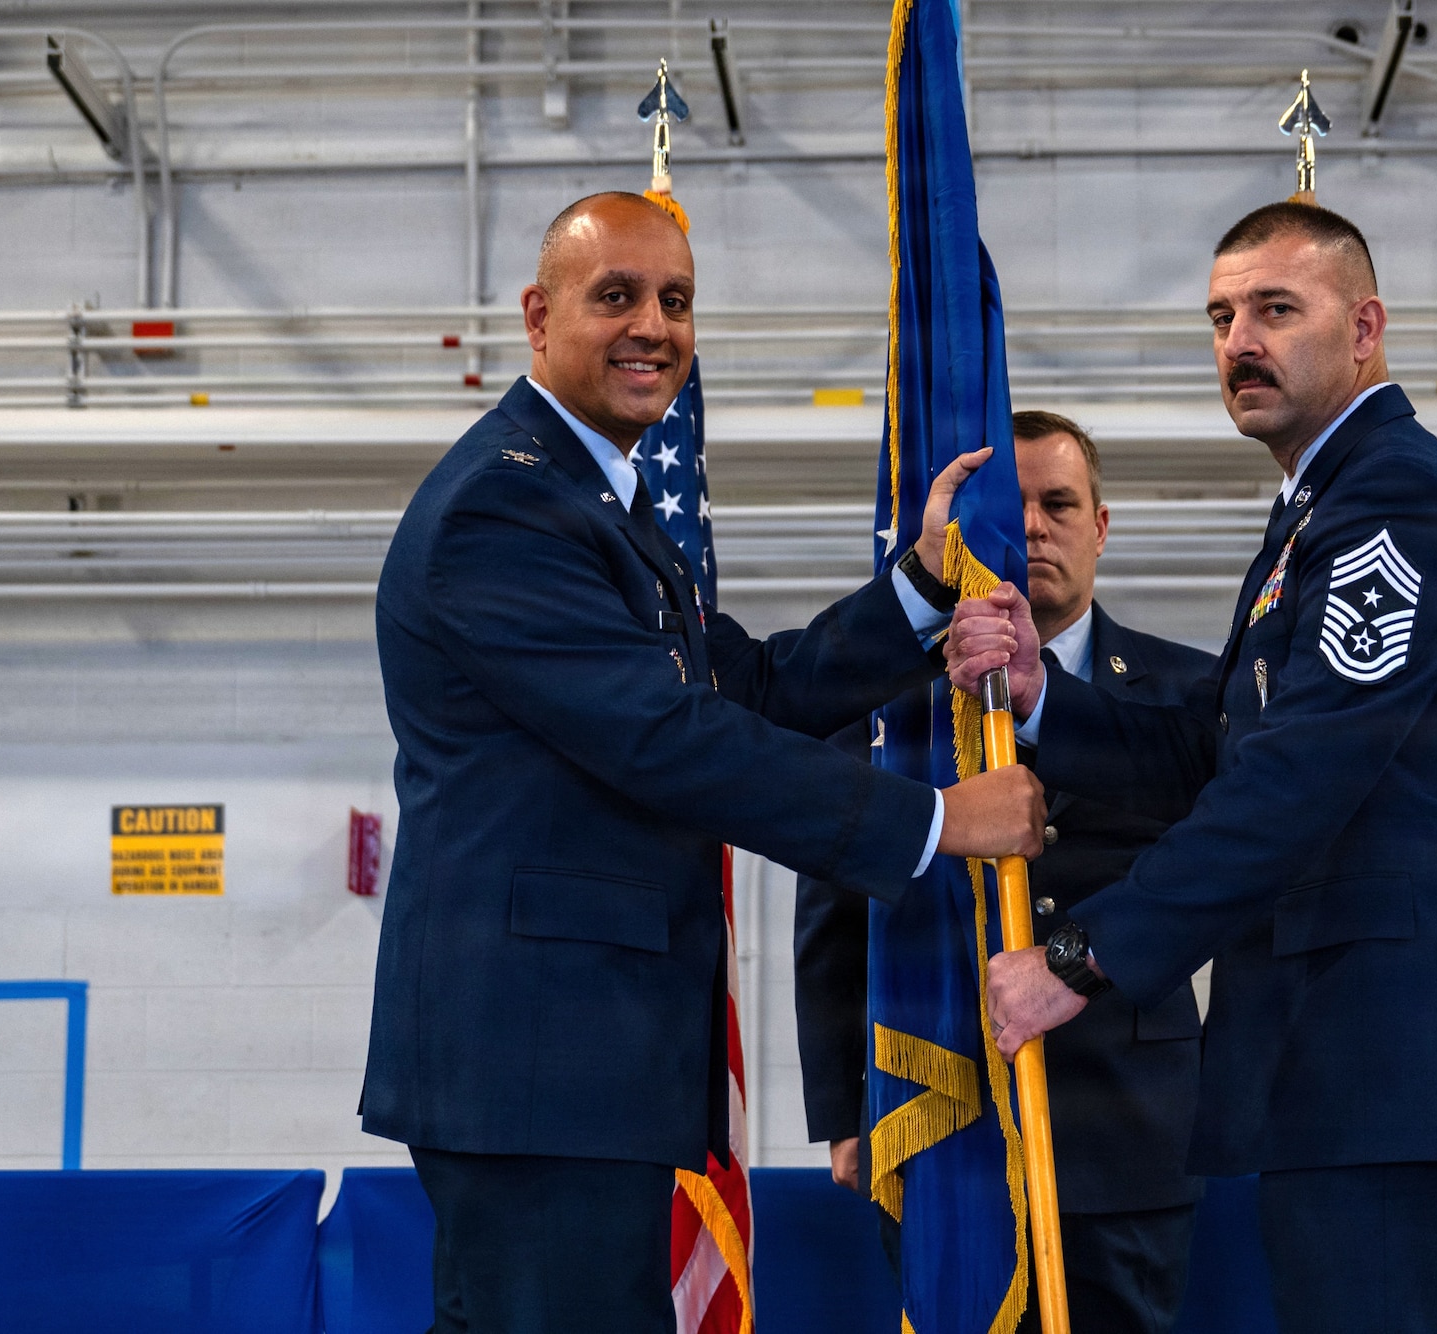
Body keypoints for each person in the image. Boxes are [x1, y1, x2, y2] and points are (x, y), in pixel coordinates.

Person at [361, 191, 1044, 1334]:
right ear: (538, 318)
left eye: (675, 300)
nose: (654, 327)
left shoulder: (599, 506)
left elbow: (750, 688)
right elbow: (665, 739)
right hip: (539, 1069)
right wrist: (935, 821)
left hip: (575, 1072)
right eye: (615, 295)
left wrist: (918, 590)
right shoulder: (506, 507)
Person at [948, 202, 1437, 1333]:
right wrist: (1050, 701)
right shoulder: (1313, 510)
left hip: (1391, 1058)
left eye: (1276, 309)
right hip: (1359, 1065)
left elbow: (1292, 784)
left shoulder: (1392, 499)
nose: (1240, 339)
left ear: (1364, 325)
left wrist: (1078, 959)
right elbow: (1218, 739)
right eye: (1222, 315)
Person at [794, 411, 1217, 1334]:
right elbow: (832, 904)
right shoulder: (887, 711)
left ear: (1100, 525)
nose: (1030, 528)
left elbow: (1224, 877)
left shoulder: (1190, 695)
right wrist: (842, 1106)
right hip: (939, 1114)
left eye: (1058, 504)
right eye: (1008, 506)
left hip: (1126, 1122)